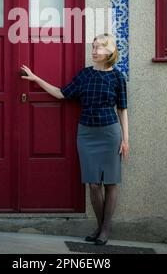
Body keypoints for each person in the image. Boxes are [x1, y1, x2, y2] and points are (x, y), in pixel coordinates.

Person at [20, 32, 129, 246]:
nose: (95, 50)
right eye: (93, 46)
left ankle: (105, 230)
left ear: (110, 52)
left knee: (111, 183)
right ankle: (100, 226)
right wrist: (36, 78)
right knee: (93, 184)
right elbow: (61, 93)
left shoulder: (117, 77)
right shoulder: (85, 75)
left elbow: (122, 109)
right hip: (87, 134)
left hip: (110, 133)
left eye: (99, 47)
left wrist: (126, 139)